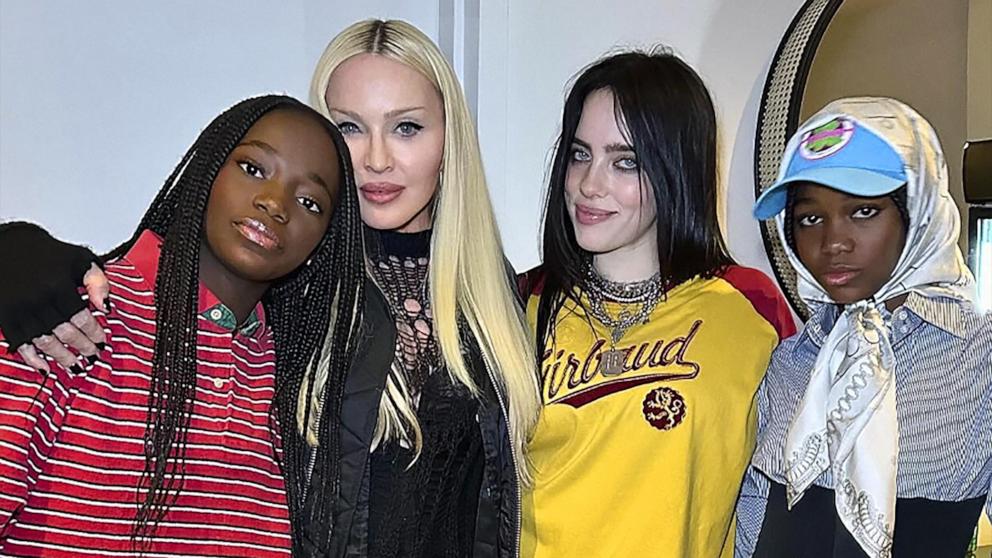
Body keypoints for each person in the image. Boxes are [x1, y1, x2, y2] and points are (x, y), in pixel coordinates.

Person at [0, 19, 539, 558]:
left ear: (451, 139)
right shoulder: (291, 293)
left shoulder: (501, 300)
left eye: (406, 128)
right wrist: (17, 250)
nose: (376, 158)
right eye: (349, 127)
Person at [0, 95, 366, 556]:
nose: (274, 203)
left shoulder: (291, 380)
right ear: (207, 172)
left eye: (309, 201)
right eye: (254, 168)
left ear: (320, 245)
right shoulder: (74, 315)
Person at [516, 49, 795, 558]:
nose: (589, 184)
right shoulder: (517, 304)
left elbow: (785, 485)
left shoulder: (749, 307)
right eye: (580, 154)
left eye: (625, 162)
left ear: (676, 168)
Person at [737, 97, 992, 558]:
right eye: (809, 219)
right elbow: (756, 517)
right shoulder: (793, 362)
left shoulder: (979, 355)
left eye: (864, 211)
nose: (834, 242)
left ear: (919, 212)